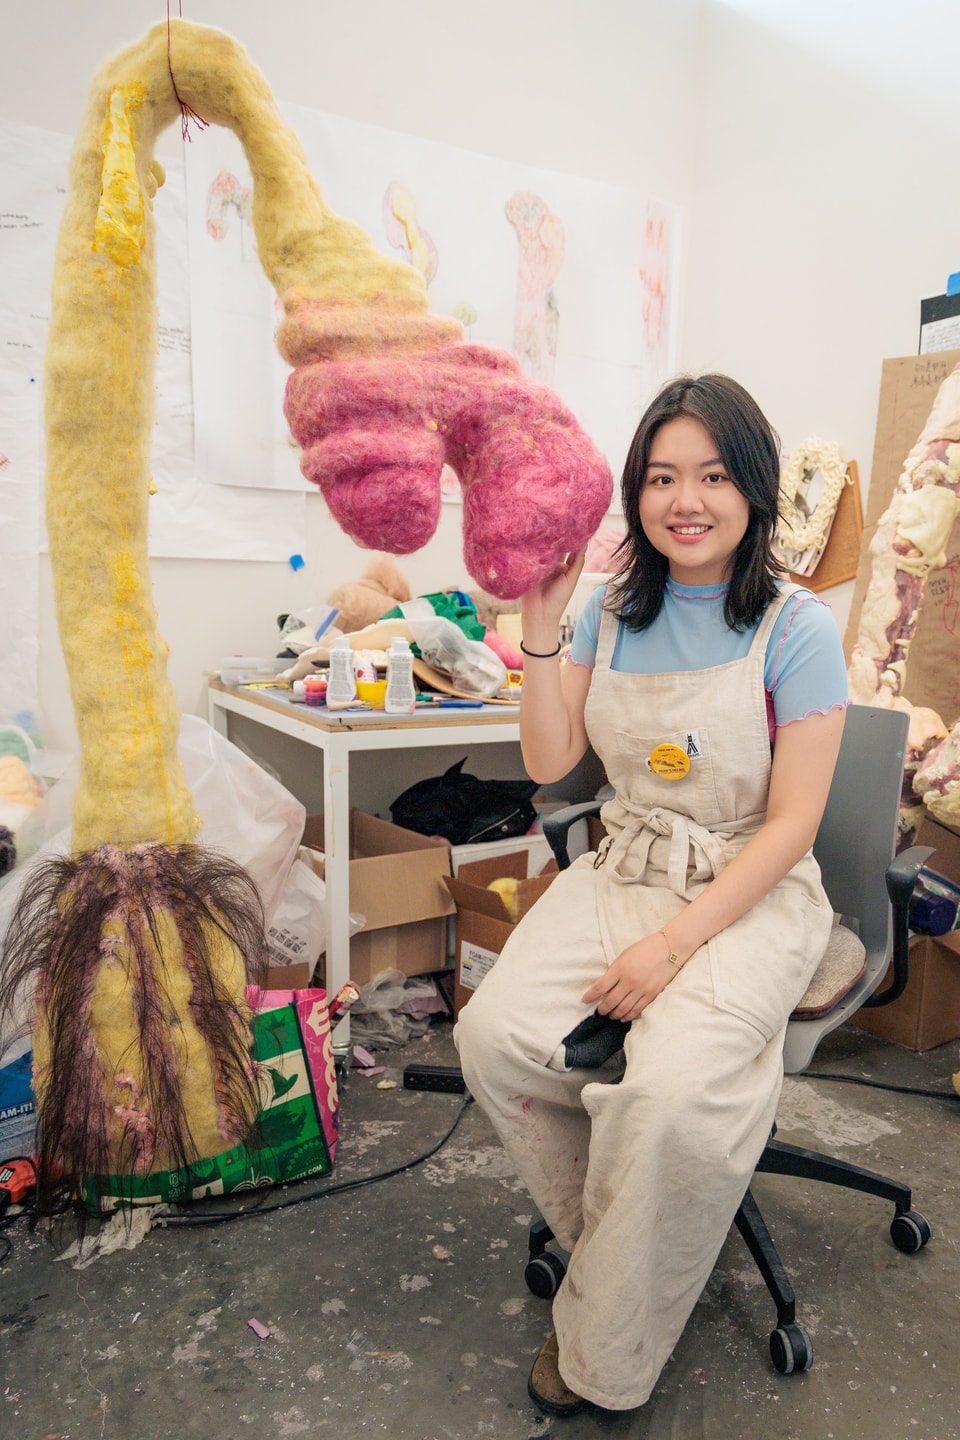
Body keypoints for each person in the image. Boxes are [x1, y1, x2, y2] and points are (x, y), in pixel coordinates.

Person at [454, 373, 849, 1415]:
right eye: (663, 477)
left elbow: (794, 824)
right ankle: (637, 1243)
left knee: (668, 1094)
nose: (688, 500)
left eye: (715, 476)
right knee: (494, 1036)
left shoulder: (796, 628)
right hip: (625, 859)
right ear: (635, 493)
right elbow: (549, 763)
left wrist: (672, 948)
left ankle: (605, 1348)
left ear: (753, 489)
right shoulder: (609, 612)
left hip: (748, 883)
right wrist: (542, 625)